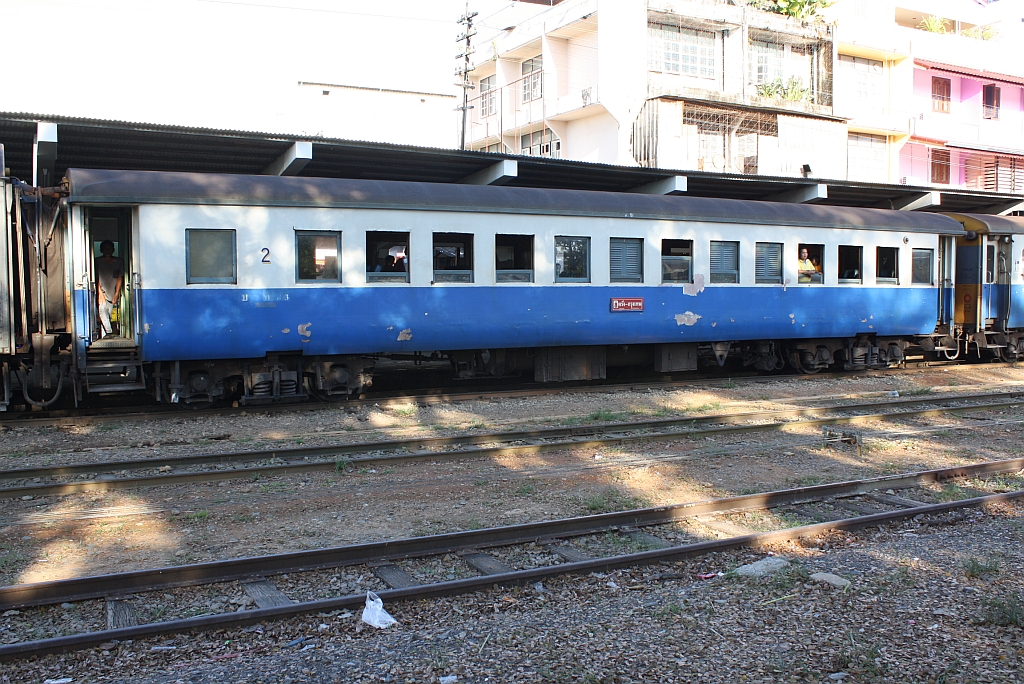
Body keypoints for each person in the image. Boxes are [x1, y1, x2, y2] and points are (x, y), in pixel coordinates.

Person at [94, 240, 124, 338]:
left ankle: (105, 337)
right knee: (102, 311)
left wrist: (116, 294)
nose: (107, 250)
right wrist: (100, 293)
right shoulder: (97, 261)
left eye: (109, 248)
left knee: (108, 316)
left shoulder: (118, 262)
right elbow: (95, 277)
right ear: (101, 250)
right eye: (105, 248)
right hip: (101, 292)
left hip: (112, 293)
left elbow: (120, 277)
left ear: (113, 250)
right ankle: (109, 332)